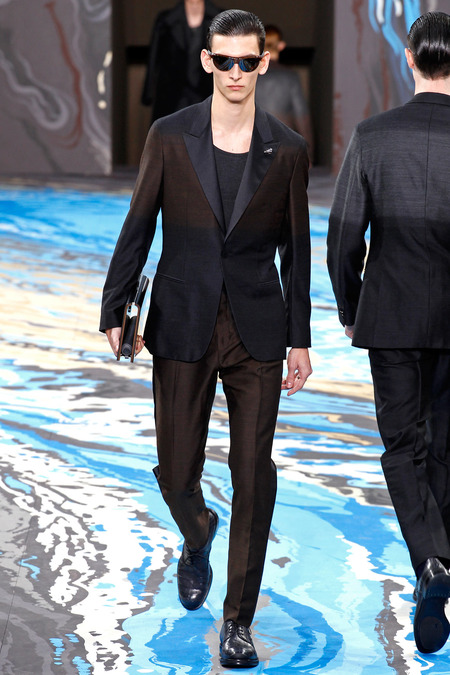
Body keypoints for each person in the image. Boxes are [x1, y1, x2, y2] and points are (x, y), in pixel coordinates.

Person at [101, 9, 312, 668]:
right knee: (174, 471)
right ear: (207, 61)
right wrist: (115, 305)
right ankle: (197, 533)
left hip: (257, 328)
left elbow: (298, 252)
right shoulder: (169, 135)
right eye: (226, 60)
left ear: (264, 63)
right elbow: (139, 221)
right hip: (181, 318)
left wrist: (300, 338)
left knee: (253, 474)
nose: (237, 72)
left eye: (248, 61)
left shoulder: (287, 148)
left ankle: (238, 621)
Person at [327, 11, 450, 655]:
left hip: (392, 314)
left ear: (409, 59)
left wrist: (352, 308)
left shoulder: (373, 136)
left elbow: (344, 236)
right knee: (446, 447)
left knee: (403, 448)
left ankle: (430, 563)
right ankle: (442, 565)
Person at [141, 0, 221, 122]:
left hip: (209, 94)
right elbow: (154, 58)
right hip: (171, 96)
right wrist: (148, 93)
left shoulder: (222, 20)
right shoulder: (165, 21)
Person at [255, 24, 314, 161]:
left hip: (255, 147)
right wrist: (309, 154)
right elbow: (302, 117)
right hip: (285, 148)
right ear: (281, 46)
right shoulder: (290, 76)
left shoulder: (250, 76)